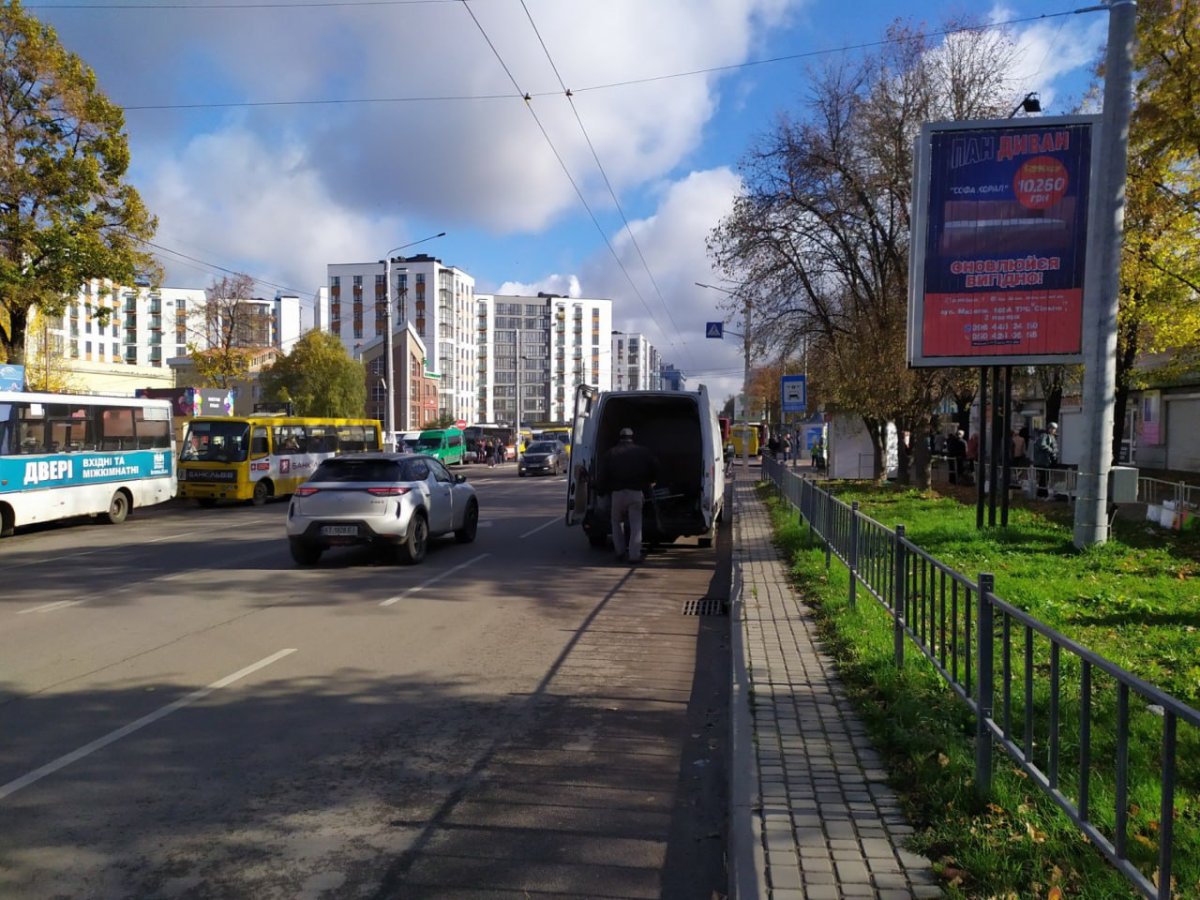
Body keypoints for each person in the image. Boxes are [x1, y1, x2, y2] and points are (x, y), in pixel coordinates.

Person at [597, 426, 659, 563]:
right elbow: (654, 466)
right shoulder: (643, 452)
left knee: (616, 523)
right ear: (632, 438)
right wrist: (652, 481)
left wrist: (601, 491)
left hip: (617, 494)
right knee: (636, 525)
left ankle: (619, 552)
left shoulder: (611, 453)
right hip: (636, 493)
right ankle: (634, 555)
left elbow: (603, 475)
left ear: (620, 438)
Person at [1032, 422, 1060, 494]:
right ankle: (1042, 493)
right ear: (1050, 429)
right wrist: (1051, 450)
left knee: (1045, 478)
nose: (1055, 431)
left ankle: (1042, 493)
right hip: (1042, 461)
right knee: (1044, 478)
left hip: (1046, 461)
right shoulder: (1044, 436)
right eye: (1054, 429)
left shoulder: (1050, 436)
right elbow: (1042, 445)